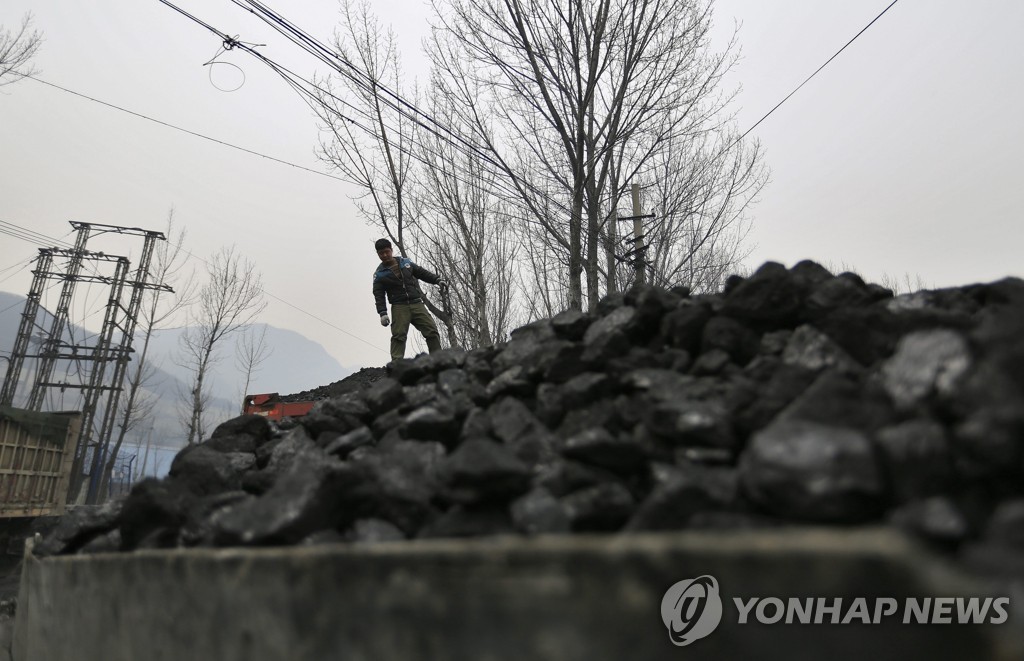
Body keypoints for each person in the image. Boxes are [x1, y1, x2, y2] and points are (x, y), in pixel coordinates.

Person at [372, 238, 447, 361]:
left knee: (432, 331)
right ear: (378, 254)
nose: (385, 255)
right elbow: (378, 294)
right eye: (381, 253)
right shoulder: (379, 274)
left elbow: (421, 273)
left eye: (386, 251)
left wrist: (437, 280)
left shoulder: (405, 263)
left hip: (416, 303)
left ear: (391, 250)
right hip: (399, 306)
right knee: (398, 336)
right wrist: (382, 313)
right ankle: (396, 365)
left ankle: (437, 360)